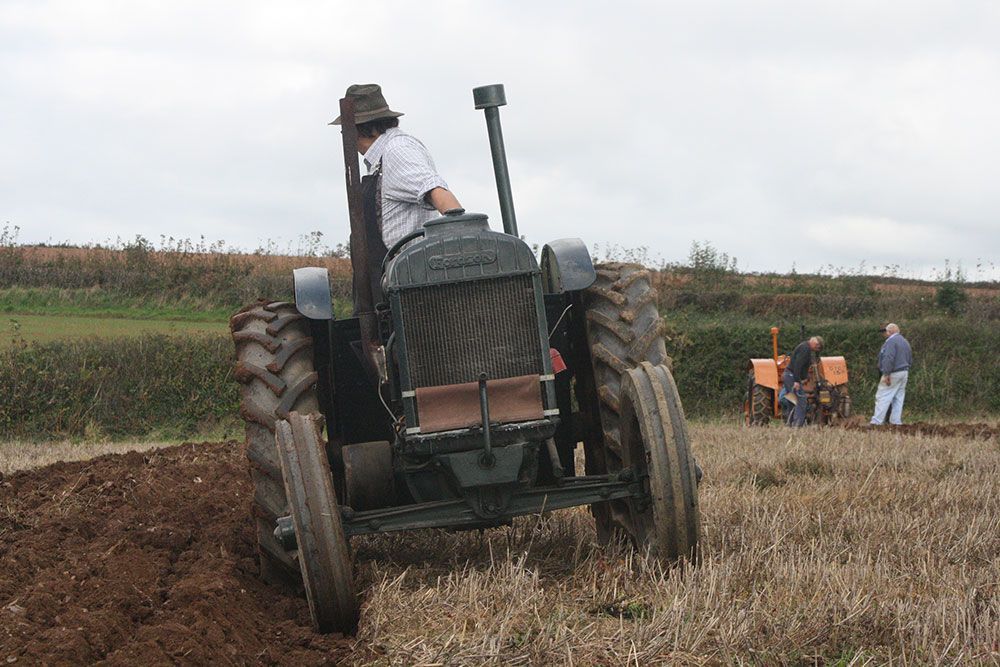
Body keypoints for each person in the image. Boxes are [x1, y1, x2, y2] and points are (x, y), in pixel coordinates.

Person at [330, 84, 461, 251]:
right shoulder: (381, 159)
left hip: (410, 273)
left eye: (345, 130)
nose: (343, 135)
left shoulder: (397, 150)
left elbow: (435, 189)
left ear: (356, 129)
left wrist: (463, 234)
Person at [870, 323, 913, 425]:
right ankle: (896, 422)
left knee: (883, 396)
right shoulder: (905, 341)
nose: (884, 334)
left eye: (885, 332)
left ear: (890, 332)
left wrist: (886, 373)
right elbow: (910, 358)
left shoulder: (891, 342)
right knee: (898, 398)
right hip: (904, 372)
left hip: (893, 372)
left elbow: (888, 358)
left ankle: (876, 422)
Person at [782, 335, 823, 426]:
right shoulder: (805, 349)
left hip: (789, 375)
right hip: (792, 376)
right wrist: (796, 381)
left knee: (792, 401)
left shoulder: (804, 346)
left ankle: (790, 424)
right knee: (801, 401)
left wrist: (804, 376)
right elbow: (798, 365)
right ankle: (797, 426)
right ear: (816, 344)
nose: (815, 350)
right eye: (817, 348)